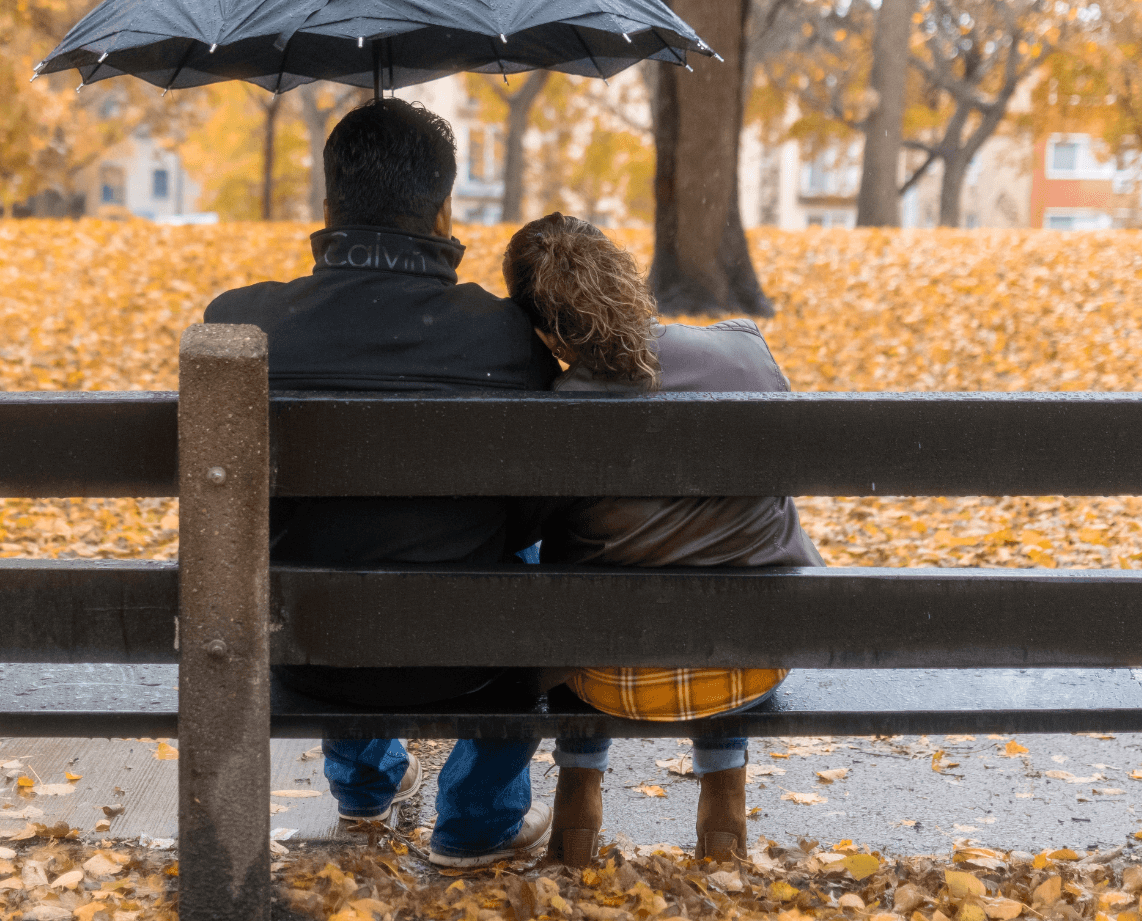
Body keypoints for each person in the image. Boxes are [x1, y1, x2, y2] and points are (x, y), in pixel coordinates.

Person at [203, 98, 559, 868]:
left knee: (317, 542)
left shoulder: (240, 324)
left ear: (328, 205)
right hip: (470, 655)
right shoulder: (503, 335)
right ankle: (478, 819)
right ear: (443, 211)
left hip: (302, 648)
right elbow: (529, 518)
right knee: (530, 564)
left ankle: (364, 787)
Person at [500, 211, 825, 867]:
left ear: (541, 329)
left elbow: (523, 529)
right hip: (748, 664)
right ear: (630, 277)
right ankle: (725, 810)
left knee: (561, 577)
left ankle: (578, 805)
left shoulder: (556, 414)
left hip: (608, 680)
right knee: (726, 559)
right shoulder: (743, 350)